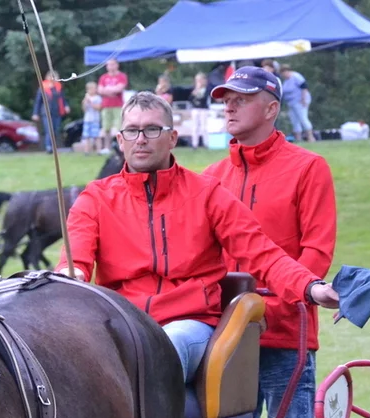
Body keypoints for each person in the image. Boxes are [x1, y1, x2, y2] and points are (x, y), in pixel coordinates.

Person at [56, 92, 338, 384]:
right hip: (122, 322)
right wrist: (69, 276)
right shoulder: (96, 197)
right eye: (132, 130)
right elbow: (76, 258)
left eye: (152, 129)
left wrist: (312, 287)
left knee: (166, 346)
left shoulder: (207, 194)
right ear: (120, 140)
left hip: (188, 324)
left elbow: (262, 253)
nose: (141, 138)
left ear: (172, 138)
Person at [203, 66, 336, 418]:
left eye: (241, 100)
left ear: (271, 108)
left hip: (284, 334)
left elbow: (317, 251)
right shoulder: (210, 177)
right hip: (226, 337)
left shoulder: (308, 167)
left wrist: (274, 307)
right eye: (226, 101)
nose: (230, 107)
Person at [32, 70, 68, 153]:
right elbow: (38, 101)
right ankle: (48, 147)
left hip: (57, 111)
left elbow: (62, 98)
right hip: (46, 112)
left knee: (55, 130)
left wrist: (66, 106)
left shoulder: (58, 87)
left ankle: (53, 146)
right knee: (49, 130)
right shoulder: (43, 87)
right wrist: (35, 113)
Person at [280, 64, 315, 143]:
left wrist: (303, 99)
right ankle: (298, 139)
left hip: (300, 101)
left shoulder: (296, 76)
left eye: (284, 72)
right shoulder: (286, 81)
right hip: (291, 103)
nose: (283, 75)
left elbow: (304, 87)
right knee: (294, 120)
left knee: (303, 118)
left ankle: (311, 137)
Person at [98, 58, 128, 139]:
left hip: (118, 105)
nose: (110, 66)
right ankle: (107, 148)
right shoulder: (103, 77)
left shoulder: (122, 76)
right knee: (106, 127)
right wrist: (112, 91)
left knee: (118, 126)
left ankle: (119, 146)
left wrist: (106, 90)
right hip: (106, 106)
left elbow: (119, 88)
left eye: (112, 64)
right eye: (109, 64)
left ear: (117, 65)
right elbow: (100, 90)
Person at [188, 72, 210, 149]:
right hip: (195, 109)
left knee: (204, 127)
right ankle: (194, 144)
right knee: (195, 127)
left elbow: (205, 98)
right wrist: (195, 92)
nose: (199, 82)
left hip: (203, 109)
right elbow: (190, 99)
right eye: (197, 80)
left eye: (200, 80)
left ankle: (206, 143)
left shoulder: (207, 89)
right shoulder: (194, 89)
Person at [81, 81, 104, 155]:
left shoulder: (98, 98)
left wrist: (90, 102)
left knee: (96, 136)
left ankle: (99, 151)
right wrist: (85, 101)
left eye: (93, 88)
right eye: (89, 89)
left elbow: (98, 108)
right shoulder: (86, 98)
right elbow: (84, 109)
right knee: (86, 136)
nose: (91, 90)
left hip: (95, 120)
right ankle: (86, 151)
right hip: (87, 120)